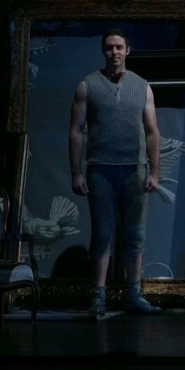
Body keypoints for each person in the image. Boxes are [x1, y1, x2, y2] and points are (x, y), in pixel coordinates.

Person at [69, 28, 163, 316]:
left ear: (128, 50)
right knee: (102, 233)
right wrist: (76, 172)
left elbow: (152, 131)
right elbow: (76, 130)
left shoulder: (143, 86)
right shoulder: (88, 85)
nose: (114, 52)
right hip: (101, 170)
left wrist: (154, 171)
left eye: (119, 47)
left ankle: (134, 294)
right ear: (103, 51)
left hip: (135, 169)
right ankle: (98, 295)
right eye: (109, 47)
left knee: (136, 234)